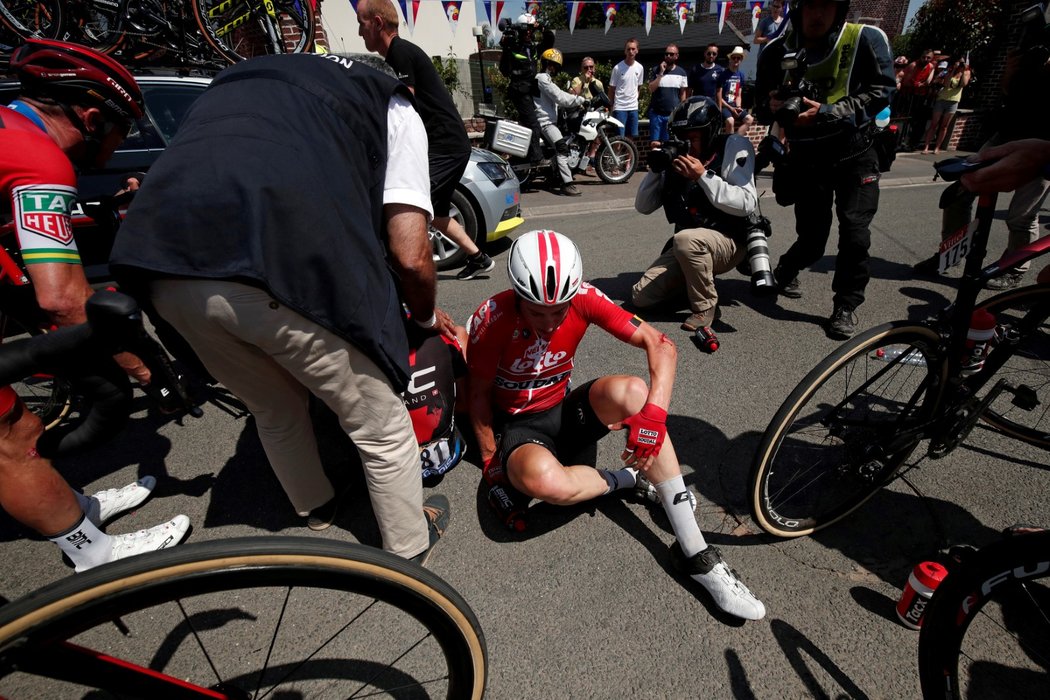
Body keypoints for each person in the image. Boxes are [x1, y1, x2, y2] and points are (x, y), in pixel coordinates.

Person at [109, 53, 452, 563]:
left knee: (272, 405)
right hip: (277, 257)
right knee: (379, 426)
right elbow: (410, 252)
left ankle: (314, 506)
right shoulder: (394, 104)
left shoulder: (238, 82)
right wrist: (423, 321)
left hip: (163, 264)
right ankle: (408, 552)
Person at [466, 229, 765, 620]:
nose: (549, 322)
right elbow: (476, 394)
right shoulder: (494, 317)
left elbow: (660, 345)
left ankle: (696, 553)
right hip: (523, 430)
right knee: (545, 484)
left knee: (636, 393)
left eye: (559, 311)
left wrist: (655, 417)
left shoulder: (585, 297)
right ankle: (627, 480)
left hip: (565, 408)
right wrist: (490, 460)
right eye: (536, 311)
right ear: (517, 295)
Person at [0, 39, 190, 572]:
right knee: (12, 439)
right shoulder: (39, 159)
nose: (117, 146)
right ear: (90, 118)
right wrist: (146, 372)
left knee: (20, 432)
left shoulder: (8, 132)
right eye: (121, 131)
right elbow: (63, 301)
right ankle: (94, 555)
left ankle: (75, 508)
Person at [754, 0, 895, 340]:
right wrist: (772, 106)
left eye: (826, 6)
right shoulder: (775, 50)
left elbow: (883, 91)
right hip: (808, 157)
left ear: (840, 9)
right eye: (811, 6)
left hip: (856, 152)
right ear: (799, 9)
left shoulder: (866, 38)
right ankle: (787, 269)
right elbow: (759, 106)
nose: (817, 15)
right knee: (813, 238)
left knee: (855, 232)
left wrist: (831, 111)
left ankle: (845, 304)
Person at [356, 0, 496, 281]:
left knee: (412, 206)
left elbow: (401, 106)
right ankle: (478, 258)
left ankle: (408, 278)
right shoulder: (399, 53)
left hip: (445, 145)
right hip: (449, 144)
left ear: (378, 23)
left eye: (362, 23)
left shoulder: (399, 53)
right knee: (438, 212)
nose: (360, 32)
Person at [631, 97, 758, 345]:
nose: (687, 143)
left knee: (686, 239)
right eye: (681, 136)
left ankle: (706, 306)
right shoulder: (675, 157)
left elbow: (746, 203)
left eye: (694, 136)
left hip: (728, 242)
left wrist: (702, 176)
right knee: (641, 298)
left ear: (710, 132)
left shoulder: (733, 146)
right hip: (689, 246)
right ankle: (693, 283)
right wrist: (657, 168)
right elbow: (643, 207)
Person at [534, 48, 585, 197]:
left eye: (555, 66)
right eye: (553, 65)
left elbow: (556, 99)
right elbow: (560, 97)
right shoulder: (542, 78)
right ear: (547, 64)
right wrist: (580, 99)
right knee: (562, 148)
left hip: (548, 120)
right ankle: (567, 184)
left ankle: (554, 174)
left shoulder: (544, 78)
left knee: (561, 144)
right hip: (545, 122)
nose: (555, 68)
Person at [498, 13, 545, 165]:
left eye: (531, 30)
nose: (529, 33)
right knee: (533, 124)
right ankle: (537, 158)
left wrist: (542, 27)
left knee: (527, 126)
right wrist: (506, 45)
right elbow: (504, 69)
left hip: (530, 91)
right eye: (526, 30)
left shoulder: (532, 47)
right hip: (519, 91)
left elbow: (550, 40)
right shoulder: (514, 47)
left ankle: (522, 157)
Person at [921, 56, 970, 155]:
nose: (960, 65)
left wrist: (963, 71)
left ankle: (937, 147)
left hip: (953, 101)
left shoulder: (966, 72)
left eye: (962, 63)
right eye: (959, 63)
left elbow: (964, 84)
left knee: (944, 126)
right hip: (942, 99)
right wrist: (953, 71)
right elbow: (946, 84)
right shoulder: (949, 71)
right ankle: (926, 146)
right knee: (934, 124)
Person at [646, 43, 688, 147]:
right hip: (656, 113)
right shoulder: (656, 70)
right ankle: (655, 163)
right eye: (666, 54)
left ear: (676, 56)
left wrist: (682, 111)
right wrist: (661, 73)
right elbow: (651, 89)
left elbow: (683, 94)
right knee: (655, 143)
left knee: (669, 144)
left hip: (672, 115)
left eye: (671, 54)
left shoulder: (682, 72)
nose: (668, 56)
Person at [569, 56, 605, 173]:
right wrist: (584, 80)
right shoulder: (577, 80)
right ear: (581, 68)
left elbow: (603, 99)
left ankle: (590, 160)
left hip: (594, 114)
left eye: (591, 67)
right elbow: (572, 95)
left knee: (597, 137)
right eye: (586, 67)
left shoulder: (598, 83)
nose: (589, 69)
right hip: (579, 113)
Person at [608, 38, 644, 139]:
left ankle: (630, 156)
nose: (631, 52)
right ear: (625, 51)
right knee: (619, 138)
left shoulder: (640, 68)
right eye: (628, 49)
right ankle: (616, 155)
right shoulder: (617, 68)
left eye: (633, 49)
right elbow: (611, 89)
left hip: (633, 108)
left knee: (631, 138)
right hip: (620, 108)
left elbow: (639, 87)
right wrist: (611, 107)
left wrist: (634, 100)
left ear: (637, 50)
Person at [717, 46, 754, 135]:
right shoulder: (723, 74)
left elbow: (738, 95)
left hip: (734, 105)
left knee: (750, 119)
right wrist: (731, 108)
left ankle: (735, 139)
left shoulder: (741, 75)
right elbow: (718, 96)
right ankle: (729, 144)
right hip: (725, 106)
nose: (736, 60)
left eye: (739, 58)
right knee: (730, 121)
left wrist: (738, 107)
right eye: (734, 58)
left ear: (741, 60)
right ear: (730, 59)